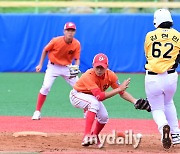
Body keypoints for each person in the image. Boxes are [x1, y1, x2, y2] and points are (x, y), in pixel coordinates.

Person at [69, 53, 150, 147]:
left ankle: (94, 136)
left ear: (107, 67)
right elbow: (100, 96)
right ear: (93, 66)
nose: (99, 70)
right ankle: (86, 136)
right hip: (77, 95)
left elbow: (122, 92)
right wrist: (119, 89)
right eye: (97, 67)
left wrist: (134, 101)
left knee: (104, 117)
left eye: (102, 67)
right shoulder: (88, 75)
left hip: (92, 98)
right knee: (94, 103)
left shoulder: (111, 75)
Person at [144, 9, 180, 149]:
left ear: (156, 21)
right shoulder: (177, 35)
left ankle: (163, 126)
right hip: (171, 76)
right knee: (169, 103)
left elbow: (147, 55)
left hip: (153, 78)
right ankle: (176, 135)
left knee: (157, 107)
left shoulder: (150, 35)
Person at [32, 22, 81, 120]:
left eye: (72, 30)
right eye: (68, 30)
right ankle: (37, 111)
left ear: (74, 32)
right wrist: (40, 64)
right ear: (64, 31)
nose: (70, 32)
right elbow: (45, 50)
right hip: (53, 67)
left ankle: (86, 112)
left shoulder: (76, 44)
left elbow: (77, 58)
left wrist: (76, 67)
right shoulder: (56, 41)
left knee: (81, 87)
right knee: (46, 87)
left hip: (67, 67)